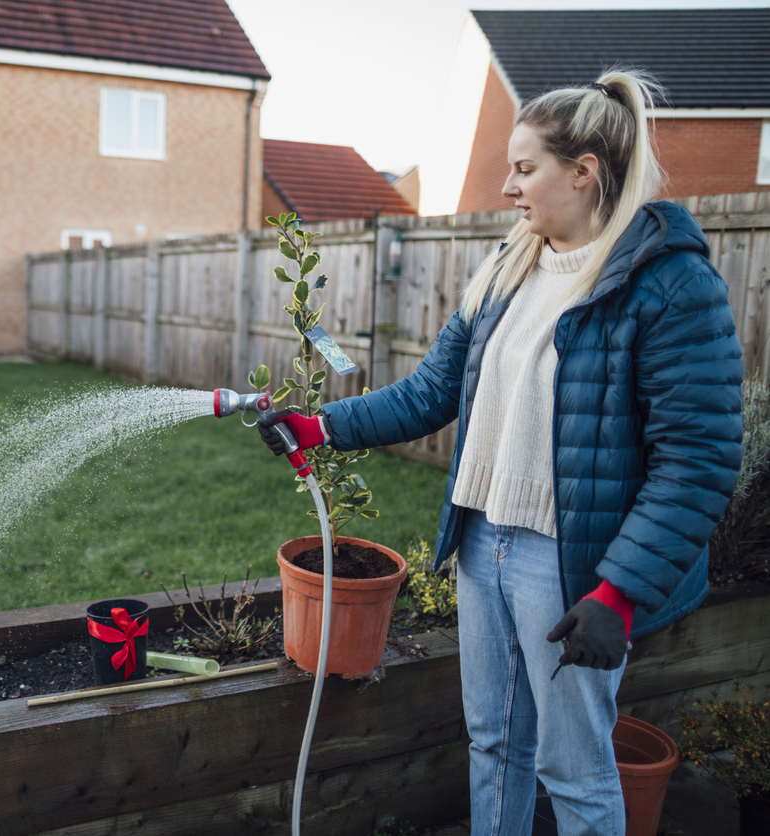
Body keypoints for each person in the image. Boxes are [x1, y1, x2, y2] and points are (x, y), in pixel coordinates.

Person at [260, 69, 743, 835]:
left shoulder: (669, 285)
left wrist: (617, 592)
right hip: (484, 544)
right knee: (494, 744)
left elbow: (701, 456)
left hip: (573, 564)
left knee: (574, 771)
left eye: (525, 167)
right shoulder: (509, 267)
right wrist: (320, 427)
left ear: (583, 172)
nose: (508, 186)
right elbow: (429, 394)